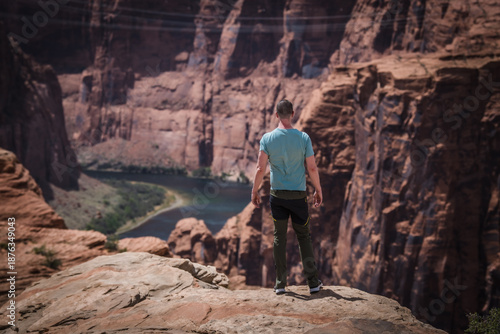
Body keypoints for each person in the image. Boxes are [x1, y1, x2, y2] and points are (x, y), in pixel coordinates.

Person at [251, 99, 323, 295]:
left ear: (276, 115)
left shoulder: (267, 139)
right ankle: (313, 283)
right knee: (304, 237)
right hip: (299, 196)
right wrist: (318, 189)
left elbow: (260, 168)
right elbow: (312, 167)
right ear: (292, 114)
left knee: (278, 238)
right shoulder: (303, 138)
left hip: (278, 197)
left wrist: (254, 191)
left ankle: (280, 284)